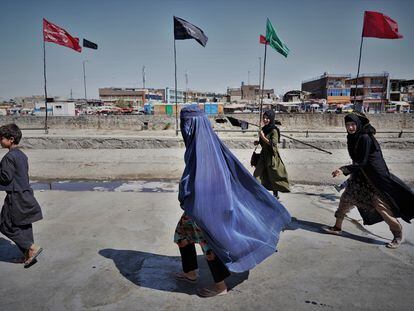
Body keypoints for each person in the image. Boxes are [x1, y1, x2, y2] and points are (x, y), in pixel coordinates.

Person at [175, 105, 291, 297]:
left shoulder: (201, 148)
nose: (184, 128)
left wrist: (187, 195)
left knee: (209, 243)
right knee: (182, 236)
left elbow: (197, 181)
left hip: (205, 207)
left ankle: (220, 285)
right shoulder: (206, 143)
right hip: (201, 204)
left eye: (185, 123)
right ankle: (190, 272)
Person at [323, 112, 414, 248]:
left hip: (374, 177)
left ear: (358, 124)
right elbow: (358, 161)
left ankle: (397, 233)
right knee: (346, 198)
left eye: (353, 124)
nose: (351, 128)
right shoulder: (352, 137)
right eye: (348, 125)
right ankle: (337, 227)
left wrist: (343, 169)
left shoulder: (365, 137)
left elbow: (363, 162)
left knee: (380, 206)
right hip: (360, 175)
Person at [0, 124, 43, 267]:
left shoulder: (8, 157)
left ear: (11, 139)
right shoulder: (22, 155)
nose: (0, 141)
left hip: (15, 196)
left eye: (1, 138)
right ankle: (27, 256)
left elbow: (5, 177)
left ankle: (32, 248)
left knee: (5, 226)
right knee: (24, 225)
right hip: (26, 194)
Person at [253, 110, 290, 199]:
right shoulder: (264, 129)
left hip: (271, 156)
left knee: (273, 174)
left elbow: (273, 143)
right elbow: (263, 142)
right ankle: (257, 194)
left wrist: (262, 137)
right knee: (257, 174)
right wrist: (258, 141)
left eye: (267, 118)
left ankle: (275, 194)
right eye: (264, 118)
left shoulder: (274, 130)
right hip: (263, 155)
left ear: (271, 119)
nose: (265, 120)